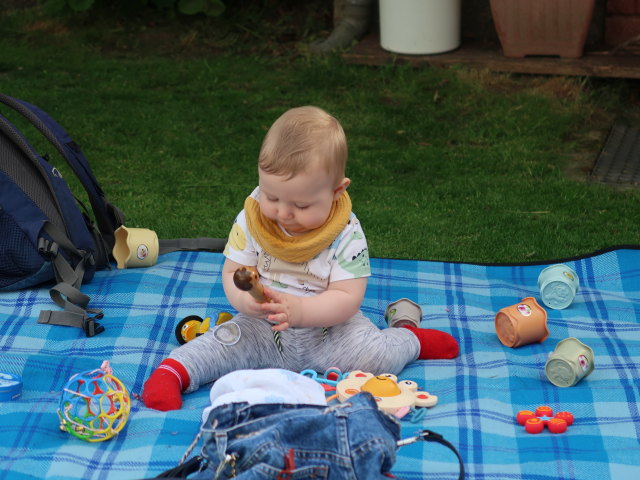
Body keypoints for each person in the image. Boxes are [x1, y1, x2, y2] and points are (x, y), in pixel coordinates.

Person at [143, 106, 459, 411]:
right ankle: (174, 372)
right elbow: (233, 273)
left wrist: (303, 311)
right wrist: (247, 302)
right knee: (224, 341)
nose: (283, 212)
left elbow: (347, 297)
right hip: (263, 326)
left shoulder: (346, 232)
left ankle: (409, 338)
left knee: (375, 356)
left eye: (302, 205)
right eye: (271, 197)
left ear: (337, 191)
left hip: (330, 328)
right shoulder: (252, 220)